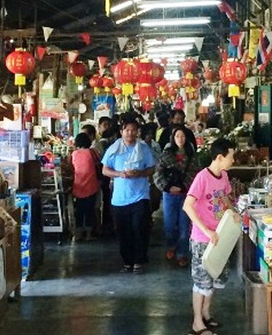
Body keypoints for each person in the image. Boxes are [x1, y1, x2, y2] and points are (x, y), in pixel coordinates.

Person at [182, 138, 238, 335]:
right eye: (231, 156)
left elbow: (225, 197)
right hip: (202, 238)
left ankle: (206, 313)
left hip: (220, 235)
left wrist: (232, 212)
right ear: (220, 157)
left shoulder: (223, 175)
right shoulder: (202, 178)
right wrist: (206, 231)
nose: (233, 160)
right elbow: (187, 206)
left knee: (216, 277)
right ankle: (197, 322)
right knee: (202, 280)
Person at [101, 116, 156, 274]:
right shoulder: (114, 149)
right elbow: (105, 170)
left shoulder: (143, 148)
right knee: (123, 231)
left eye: (133, 130)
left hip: (140, 196)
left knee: (139, 228)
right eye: (127, 130)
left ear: (137, 132)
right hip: (119, 199)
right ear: (121, 132)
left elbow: (152, 169)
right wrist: (119, 174)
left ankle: (139, 260)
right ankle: (127, 261)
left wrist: (140, 173)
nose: (130, 133)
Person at [154, 127, 201, 267]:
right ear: (173, 139)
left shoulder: (192, 155)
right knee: (169, 225)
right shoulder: (166, 155)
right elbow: (157, 174)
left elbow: (196, 174)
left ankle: (182, 254)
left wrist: (185, 188)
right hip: (169, 195)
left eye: (183, 136)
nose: (180, 139)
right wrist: (168, 187)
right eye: (177, 136)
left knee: (184, 227)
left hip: (187, 196)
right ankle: (171, 245)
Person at [70, 133, 100, 242]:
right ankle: (88, 235)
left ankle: (78, 234)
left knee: (79, 210)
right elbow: (99, 163)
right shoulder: (92, 152)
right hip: (91, 186)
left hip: (78, 186)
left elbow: (72, 168)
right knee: (89, 211)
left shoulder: (74, 154)